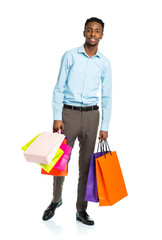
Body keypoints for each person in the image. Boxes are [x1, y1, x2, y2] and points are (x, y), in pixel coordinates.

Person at [42, 17, 112, 225]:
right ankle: (56, 200)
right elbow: (58, 87)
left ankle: (81, 210)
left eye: (97, 31)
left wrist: (105, 126)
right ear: (84, 33)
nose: (93, 34)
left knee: (86, 165)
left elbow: (107, 96)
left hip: (92, 116)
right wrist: (57, 116)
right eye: (89, 30)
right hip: (68, 114)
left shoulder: (104, 63)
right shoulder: (70, 56)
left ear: (102, 35)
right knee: (59, 161)